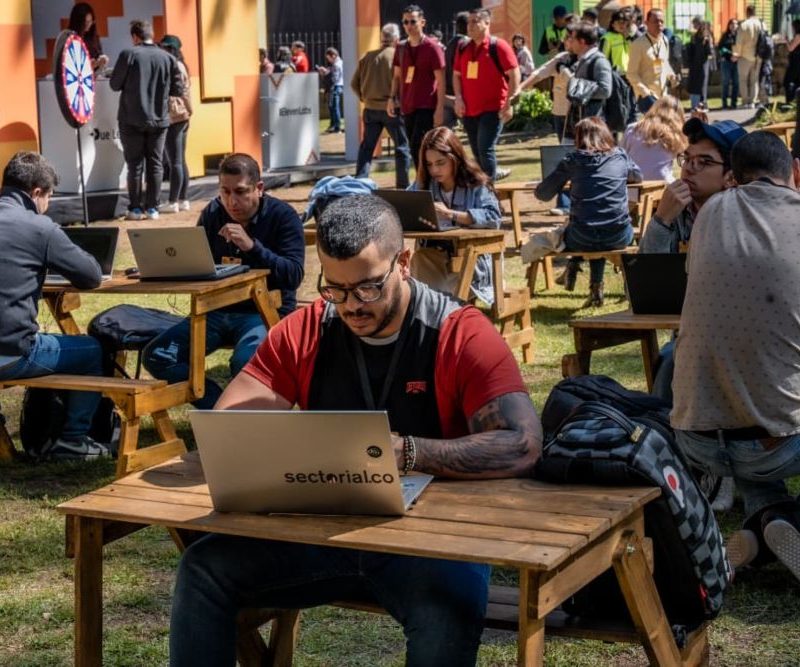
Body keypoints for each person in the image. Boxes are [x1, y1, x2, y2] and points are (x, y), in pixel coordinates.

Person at [168, 193, 543, 666]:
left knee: (446, 613)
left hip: (435, 543)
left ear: (403, 262)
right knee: (203, 568)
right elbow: (229, 428)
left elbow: (522, 444)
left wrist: (406, 452)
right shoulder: (308, 328)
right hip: (322, 535)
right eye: (335, 289)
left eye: (368, 288)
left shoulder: (459, 332)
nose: (351, 306)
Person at [671, 131, 800, 582]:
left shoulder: (710, 214)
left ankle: (766, 526)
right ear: (795, 172)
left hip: (698, 441)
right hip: (775, 444)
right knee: (769, 405)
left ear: (733, 178)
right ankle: (787, 521)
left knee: (749, 399)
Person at [143, 153, 305, 409]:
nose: (231, 201)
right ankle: (220, 411)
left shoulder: (282, 216)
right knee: (159, 355)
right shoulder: (213, 213)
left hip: (262, 311)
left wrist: (253, 247)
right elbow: (197, 262)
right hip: (216, 310)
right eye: (225, 192)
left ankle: (240, 417)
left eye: (240, 192)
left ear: (259, 188)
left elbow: (293, 275)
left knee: (246, 363)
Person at [0, 152, 108, 460]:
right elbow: (91, 276)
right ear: (37, 192)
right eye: (49, 197)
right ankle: (74, 439)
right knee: (92, 351)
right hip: (11, 354)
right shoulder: (39, 227)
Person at [535, 117, 641, 307]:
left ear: (579, 138)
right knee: (599, 223)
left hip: (581, 237)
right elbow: (637, 176)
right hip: (619, 235)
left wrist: (567, 179)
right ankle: (593, 285)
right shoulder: (620, 156)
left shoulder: (573, 160)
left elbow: (543, 194)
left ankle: (575, 265)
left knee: (586, 227)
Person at [408, 126, 502, 305]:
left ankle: (439, 310)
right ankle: (429, 309)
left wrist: (451, 214)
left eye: (440, 162)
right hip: (435, 256)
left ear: (455, 158)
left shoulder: (476, 184)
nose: (434, 170)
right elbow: (405, 203)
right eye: (429, 164)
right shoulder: (425, 184)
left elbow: (493, 217)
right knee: (420, 260)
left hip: (470, 260)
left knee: (440, 294)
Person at [110, 20, 183, 221]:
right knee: (156, 164)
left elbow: (114, 85)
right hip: (159, 119)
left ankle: (135, 209)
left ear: (135, 37)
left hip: (131, 118)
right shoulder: (168, 58)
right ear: (152, 35)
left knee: (134, 165)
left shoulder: (128, 54)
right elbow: (178, 90)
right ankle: (153, 209)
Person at [639, 118, 746, 255]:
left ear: (731, 178)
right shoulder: (675, 208)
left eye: (703, 162)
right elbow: (647, 267)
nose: (688, 168)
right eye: (687, 159)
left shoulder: (745, 217)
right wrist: (661, 220)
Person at [452, 7, 520, 180]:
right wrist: (458, 98)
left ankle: (489, 189)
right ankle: (484, 184)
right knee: (477, 151)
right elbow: (456, 75)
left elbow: (514, 74)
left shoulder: (499, 46)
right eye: (469, 22)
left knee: (485, 148)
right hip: (469, 110)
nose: (470, 26)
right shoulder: (463, 47)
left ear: (487, 23)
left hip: (493, 109)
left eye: (475, 21)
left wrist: (509, 102)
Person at [520, 16, 577, 216]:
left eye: (571, 37)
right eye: (566, 37)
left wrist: (566, 72)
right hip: (561, 113)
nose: (567, 41)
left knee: (576, 157)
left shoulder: (589, 60)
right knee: (565, 157)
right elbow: (539, 73)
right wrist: (520, 88)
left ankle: (573, 202)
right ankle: (564, 202)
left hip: (582, 116)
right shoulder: (560, 58)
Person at [351, 23, 411, 188]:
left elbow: (354, 83)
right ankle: (403, 185)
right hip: (392, 109)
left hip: (370, 108)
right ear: (396, 39)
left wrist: (364, 98)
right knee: (402, 147)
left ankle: (360, 181)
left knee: (367, 147)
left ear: (382, 38)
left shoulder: (367, 57)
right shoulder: (397, 57)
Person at [388, 4, 446, 171]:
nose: (409, 26)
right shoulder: (401, 47)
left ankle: (425, 181)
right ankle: (426, 179)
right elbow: (396, 76)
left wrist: (440, 109)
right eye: (405, 22)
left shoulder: (432, 47)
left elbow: (441, 81)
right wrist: (391, 98)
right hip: (407, 106)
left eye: (413, 21)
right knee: (416, 148)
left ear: (422, 22)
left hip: (427, 105)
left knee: (418, 145)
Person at [158, 35, 192, 214]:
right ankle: (183, 199)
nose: (161, 49)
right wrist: (189, 110)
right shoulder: (181, 64)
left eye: (164, 47)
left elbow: (180, 91)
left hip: (175, 116)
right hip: (182, 115)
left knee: (175, 161)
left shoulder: (173, 65)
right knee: (180, 160)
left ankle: (173, 201)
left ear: (170, 49)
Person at [563, 20, 612, 140]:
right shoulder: (583, 59)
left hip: (592, 125)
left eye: (573, 39)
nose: (570, 42)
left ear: (582, 41)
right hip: (578, 121)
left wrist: (580, 88)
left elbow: (605, 90)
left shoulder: (599, 61)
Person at [620, 94, 686, 182]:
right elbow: (684, 158)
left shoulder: (633, 128)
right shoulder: (675, 134)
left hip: (634, 182)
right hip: (662, 183)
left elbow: (620, 156)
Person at [626, 8, 674, 113]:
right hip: (646, 97)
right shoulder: (638, 44)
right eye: (656, 21)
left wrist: (671, 75)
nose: (659, 24)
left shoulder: (664, 40)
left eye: (662, 21)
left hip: (663, 95)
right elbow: (631, 74)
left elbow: (665, 63)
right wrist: (646, 93)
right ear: (646, 23)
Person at [442, 11, 470, 129]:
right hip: (462, 94)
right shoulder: (467, 44)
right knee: (472, 130)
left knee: (447, 132)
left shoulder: (449, 44)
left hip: (448, 93)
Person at [733, 5, 761, 108]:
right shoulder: (761, 24)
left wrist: (736, 54)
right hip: (758, 56)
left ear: (747, 12)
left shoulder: (744, 25)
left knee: (743, 80)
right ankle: (753, 102)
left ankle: (745, 102)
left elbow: (739, 42)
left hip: (745, 56)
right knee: (754, 80)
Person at [68, 2, 108, 72]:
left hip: (96, 75)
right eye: (85, 22)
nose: (88, 25)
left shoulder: (93, 36)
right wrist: (89, 65)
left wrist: (102, 59)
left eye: (90, 21)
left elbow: (98, 55)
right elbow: (70, 67)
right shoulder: (69, 38)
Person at [686, 17, 714, 110]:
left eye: (695, 24)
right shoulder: (694, 36)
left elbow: (709, 52)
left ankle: (703, 104)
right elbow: (691, 50)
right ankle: (695, 105)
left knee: (702, 84)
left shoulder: (706, 37)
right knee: (695, 84)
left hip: (703, 64)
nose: (694, 26)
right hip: (694, 64)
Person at [317, 47, 344, 133]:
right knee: (333, 106)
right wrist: (327, 71)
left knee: (334, 107)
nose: (328, 60)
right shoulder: (340, 62)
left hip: (335, 86)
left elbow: (334, 79)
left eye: (329, 58)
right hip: (339, 86)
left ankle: (336, 126)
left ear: (334, 56)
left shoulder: (336, 65)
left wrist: (325, 74)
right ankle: (334, 125)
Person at [718, 19, 740, 109]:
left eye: (735, 24)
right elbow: (720, 48)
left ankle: (734, 103)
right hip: (726, 62)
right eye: (731, 24)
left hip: (737, 62)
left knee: (736, 83)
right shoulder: (725, 36)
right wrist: (730, 54)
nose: (733, 26)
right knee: (725, 82)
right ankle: (724, 104)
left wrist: (737, 56)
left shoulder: (740, 35)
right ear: (729, 25)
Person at [784, 19, 800, 105]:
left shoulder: (798, 36)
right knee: (797, 82)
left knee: (787, 81)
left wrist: (786, 41)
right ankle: (795, 102)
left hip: (796, 62)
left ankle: (789, 101)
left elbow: (791, 48)